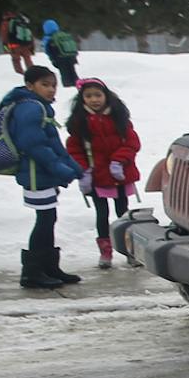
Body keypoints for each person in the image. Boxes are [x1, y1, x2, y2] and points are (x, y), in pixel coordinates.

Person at [0, 65, 86, 291]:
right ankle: (33, 272)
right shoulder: (30, 108)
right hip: (36, 174)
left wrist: (72, 167)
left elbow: (53, 144)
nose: (51, 89)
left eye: (53, 85)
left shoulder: (37, 106)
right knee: (45, 220)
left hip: (42, 173)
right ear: (30, 86)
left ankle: (48, 267)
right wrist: (60, 168)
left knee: (48, 218)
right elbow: (34, 144)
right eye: (44, 85)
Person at [65, 78, 142, 269]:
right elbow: (74, 150)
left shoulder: (118, 118)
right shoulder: (79, 122)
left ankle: (129, 250)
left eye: (98, 95)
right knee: (102, 214)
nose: (94, 100)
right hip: (97, 177)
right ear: (82, 99)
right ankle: (105, 252)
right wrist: (83, 170)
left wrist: (119, 160)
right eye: (89, 96)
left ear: (106, 96)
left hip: (119, 175)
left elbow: (132, 143)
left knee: (123, 214)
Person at [41, 19, 79, 88]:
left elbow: (48, 50)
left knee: (65, 74)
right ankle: (78, 84)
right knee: (73, 72)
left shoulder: (48, 38)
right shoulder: (63, 34)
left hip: (60, 58)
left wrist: (53, 59)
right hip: (71, 56)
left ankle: (68, 86)